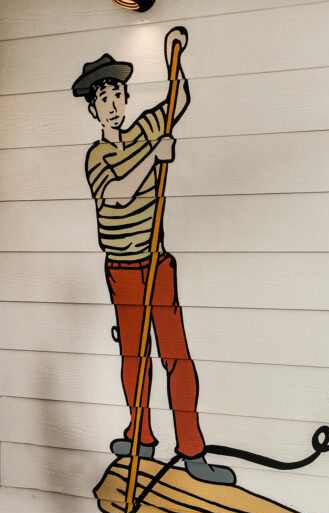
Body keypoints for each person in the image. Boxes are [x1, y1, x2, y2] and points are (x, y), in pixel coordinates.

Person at [72, 28, 234, 485]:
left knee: (176, 356)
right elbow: (118, 196)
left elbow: (177, 101)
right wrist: (155, 159)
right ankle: (141, 436)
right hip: (122, 269)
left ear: (126, 98)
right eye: (103, 98)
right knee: (134, 357)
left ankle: (192, 450)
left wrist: (171, 58)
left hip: (156, 263)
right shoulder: (96, 156)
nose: (113, 103)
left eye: (118, 93)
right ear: (93, 109)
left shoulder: (145, 128)